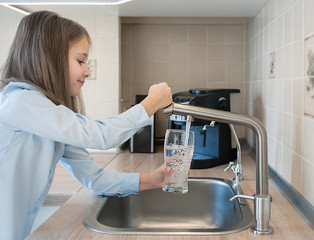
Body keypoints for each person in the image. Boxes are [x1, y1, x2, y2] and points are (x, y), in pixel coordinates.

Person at [0, 11, 172, 240]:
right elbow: (99, 136)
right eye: (81, 61)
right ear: (49, 58)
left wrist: (152, 180)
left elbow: (95, 179)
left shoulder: (46, 116)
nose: (88, 72)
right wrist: (150, 104)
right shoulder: (20, 102)